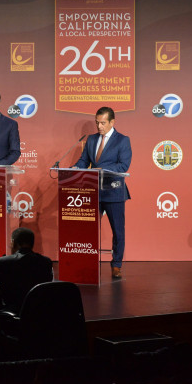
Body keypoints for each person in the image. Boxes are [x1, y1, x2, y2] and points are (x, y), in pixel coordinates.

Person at [73, 106, 131, 278]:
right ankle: (87, 261)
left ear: (112, 122)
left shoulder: (123, 140)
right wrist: (74, 169)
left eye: (103, 123)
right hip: (93, 190)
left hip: (113, 191)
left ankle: (116, 265)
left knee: (118, 231)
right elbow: (84, 161)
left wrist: (99, 168)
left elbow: (123, 166)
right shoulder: (91, 139)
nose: (99, 127)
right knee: (88, 229)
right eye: (97, 123)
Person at [0, 227, 53, 314]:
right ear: (32, 243)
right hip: (39, 314)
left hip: (12, 314)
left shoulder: (3, 262)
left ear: (13, 242)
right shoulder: (46, 262)